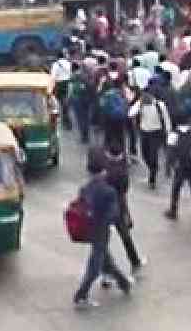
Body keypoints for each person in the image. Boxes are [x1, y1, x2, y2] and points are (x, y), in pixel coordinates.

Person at [73, 158, 132, 308]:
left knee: (105, 258)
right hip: (101, 230)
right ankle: (81, 294)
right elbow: (113, 213)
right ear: (103, 171)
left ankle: (123, 282)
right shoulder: (109, 191)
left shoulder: (85, 188)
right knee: (96, 263)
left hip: (89, 229)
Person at [89, 142, 145, 275]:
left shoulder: (103, 167)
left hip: (102, 208)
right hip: (117, 205)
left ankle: (105, 272)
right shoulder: (121, 170)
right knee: (125, 234)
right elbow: (125, 188)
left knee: (102, 240)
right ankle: (134, 260)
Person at [128, 90, 171, 189]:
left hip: (156, 132)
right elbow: (130, 113)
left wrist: (168, 132)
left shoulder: (160, 105)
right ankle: (152, 167)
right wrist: (139, 104)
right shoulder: (141, 103)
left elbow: (166, 118)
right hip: (144, 132)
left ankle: (152, 176)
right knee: (144, 153)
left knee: (153, 154)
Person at [166, 113, 191, 220]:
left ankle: (173, 211)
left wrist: (168, 167)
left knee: (176, 188)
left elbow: (170, 150)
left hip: (180, 165)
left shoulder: (174, 133)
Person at [68, 63, 95, 144]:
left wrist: (69, 99)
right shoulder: (87, 76)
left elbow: (70, 88)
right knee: (86, 117)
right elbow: (92, 88)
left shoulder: (73, 76)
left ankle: (83, 136)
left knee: (80, 118)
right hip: (86, 99)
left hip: (77, 98)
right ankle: (86, 135)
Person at [51, 52, 73, 129]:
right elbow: (71, 74)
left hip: (59, 85)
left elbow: (53, 76)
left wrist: (52, 86)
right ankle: (67, 121)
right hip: (67, 83)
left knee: (59, 104)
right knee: (65, 104)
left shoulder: (55, 64)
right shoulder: (68, 63)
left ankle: (65, 122)